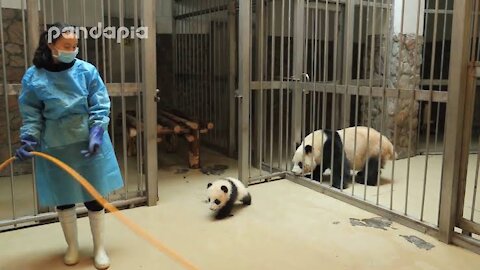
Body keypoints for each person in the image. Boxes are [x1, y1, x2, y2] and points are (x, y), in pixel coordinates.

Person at [15, 22, 124, 270]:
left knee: (94, 197)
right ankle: (72, 247)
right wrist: (29, 139)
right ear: (50, 45)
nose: (73, 50)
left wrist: (97, 131)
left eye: (75, 46)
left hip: (88, 142)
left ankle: (99, 249)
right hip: (55, 144)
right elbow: (31, 112)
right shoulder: (34, 76)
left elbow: (100, 103)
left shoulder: (86, 71)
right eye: (67, 46)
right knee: (63, 198)